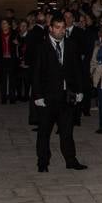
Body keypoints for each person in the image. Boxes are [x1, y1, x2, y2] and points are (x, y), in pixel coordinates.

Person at [28, 15, 87, 172]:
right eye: (58, 28)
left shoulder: (71, 45)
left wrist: (79, 90)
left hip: (66, 96)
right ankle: (43, 161)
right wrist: (38, 95)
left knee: (67, 131)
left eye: (63, 28)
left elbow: (77, 70)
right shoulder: (42, 47)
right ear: (51, 28)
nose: (61, 31)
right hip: (47, 97)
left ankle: (71, 159)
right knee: (44, 132)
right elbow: (36, 73)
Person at [0, 18, 23, 104]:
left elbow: (22, 45)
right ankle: (4, 98)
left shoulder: (15, 34)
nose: (3, 25)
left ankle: (12, 98)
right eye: (2, 23)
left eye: (5, 23)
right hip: (1, 60)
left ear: (9, 25)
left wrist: (18, 43)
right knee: (3, 80)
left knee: (13, 80)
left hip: (12, 60)